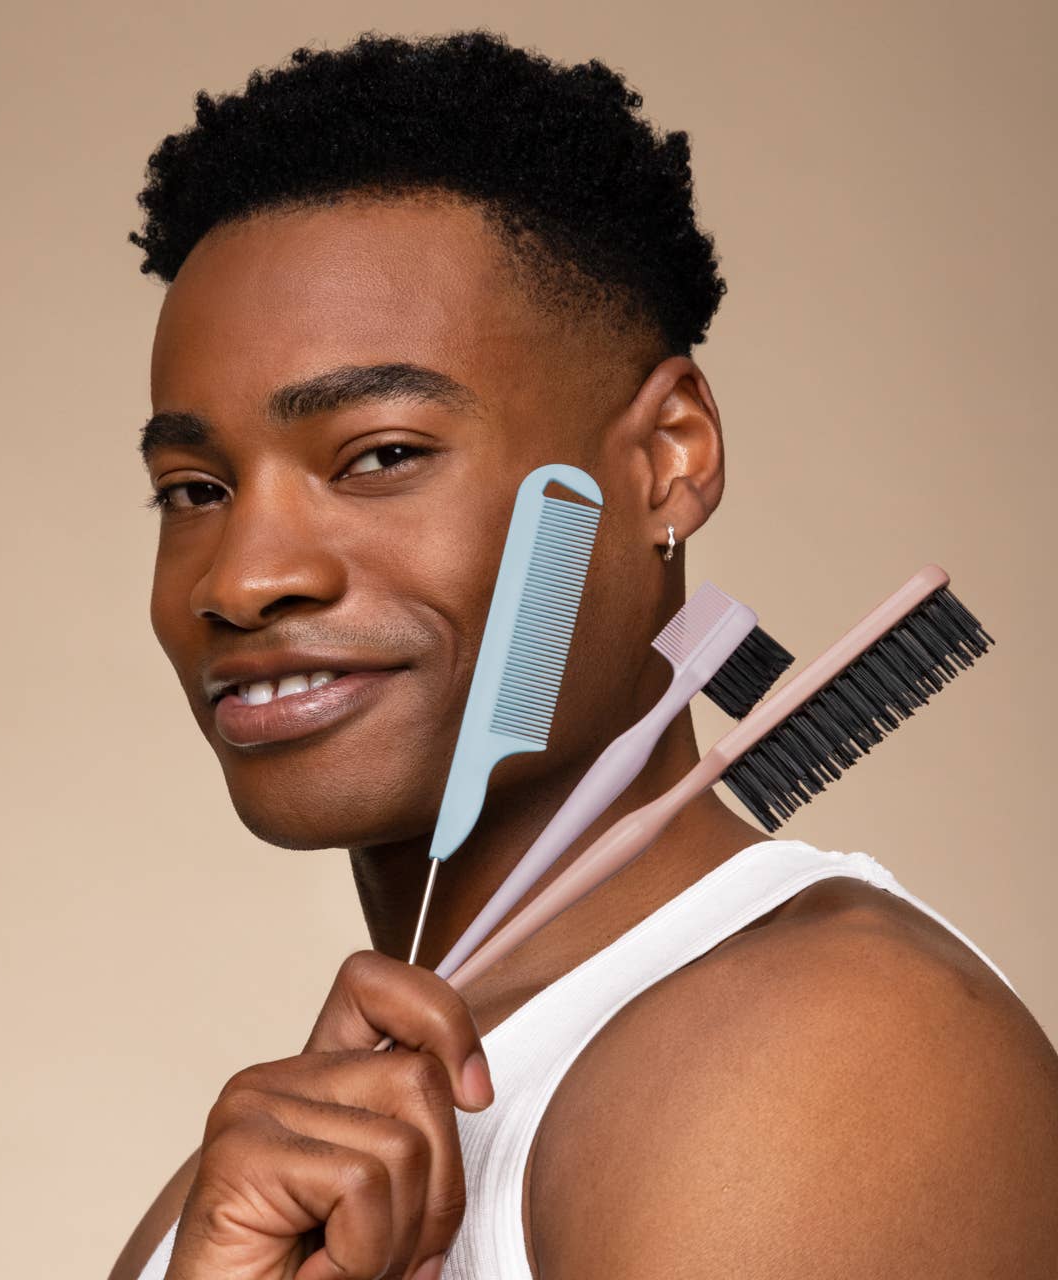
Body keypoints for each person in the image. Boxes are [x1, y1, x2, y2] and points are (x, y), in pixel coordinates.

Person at [109, 30, 1058, 1280]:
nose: (241, 577)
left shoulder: (824, 1061)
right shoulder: (250, 1180)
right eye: (193, 487)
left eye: (380, 454)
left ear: (665, 454)